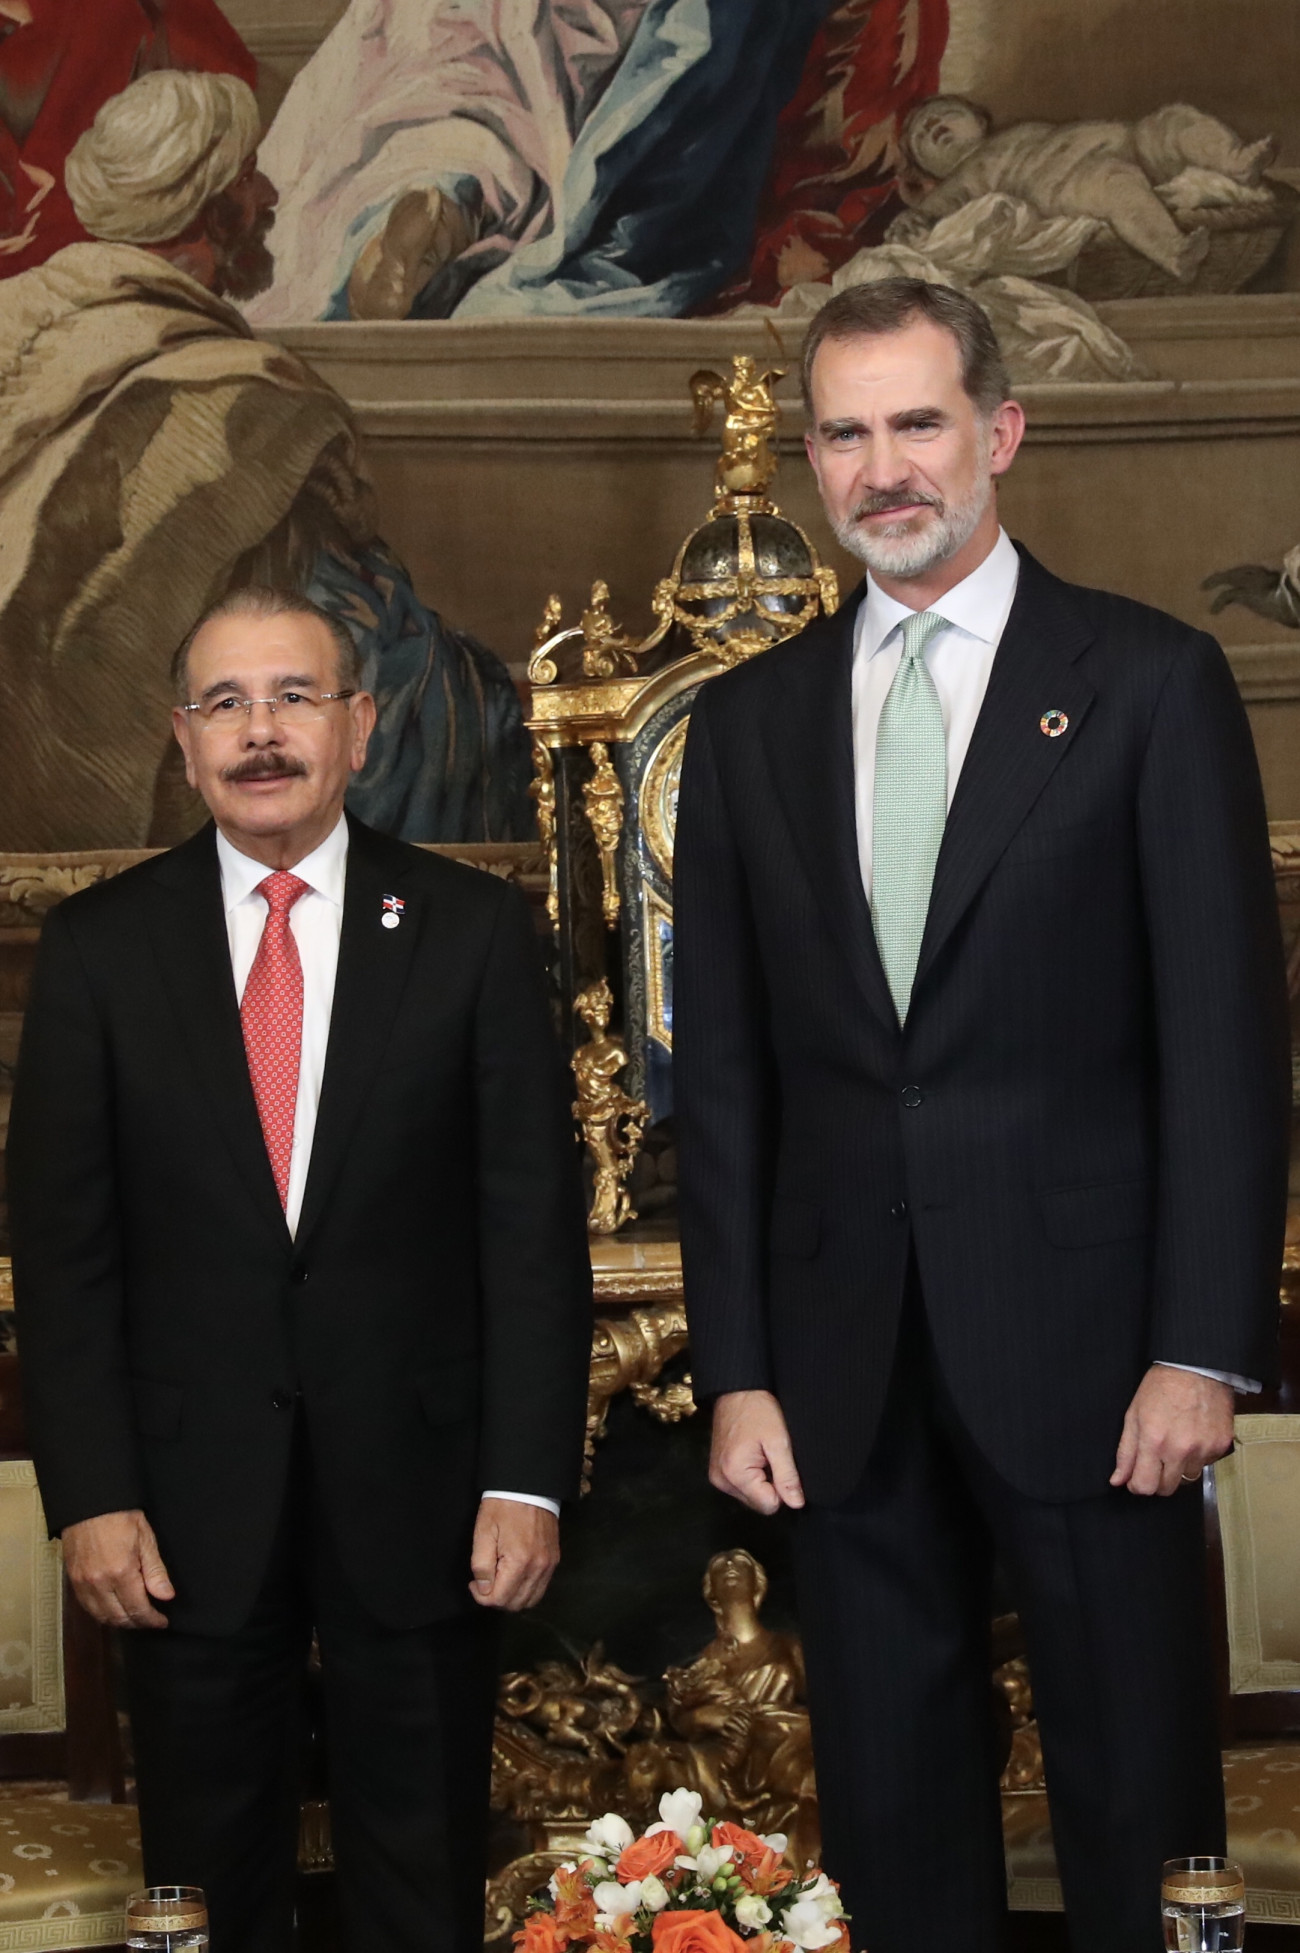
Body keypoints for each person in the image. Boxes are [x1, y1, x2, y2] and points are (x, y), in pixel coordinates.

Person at [673, 276, 1291, 1951]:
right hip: (840, 1363)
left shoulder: (1149, 683)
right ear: (812, 459)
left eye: (917, 422)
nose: (883, 468)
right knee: (890, 1806)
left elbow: (1225, 1049)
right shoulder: (747, 725)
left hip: (1103, 1356)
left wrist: (1202, 1347)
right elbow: (720, 1076)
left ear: (1000, 432)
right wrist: (737, 1365)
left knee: (1134, 1791)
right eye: (845, 432)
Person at [8, 586, 592, 1952]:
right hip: (181, 1512)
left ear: (360, 726)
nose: (259, 732)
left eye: (292, 697)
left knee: (422, 1875)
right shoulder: (100, 948)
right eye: (225, 703)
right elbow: (66, 1252)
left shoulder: (468, 929)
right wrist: (92, 1494)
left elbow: (528, 1230)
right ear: (183, 739)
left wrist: (524, 1480)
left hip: (429, 1498)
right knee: (207, 1885)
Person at [0, 67, 533, 851]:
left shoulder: (24, 319)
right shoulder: (247, 393)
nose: (271, 196)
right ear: (213, 208)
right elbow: (352, 624)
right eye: (250, 177)